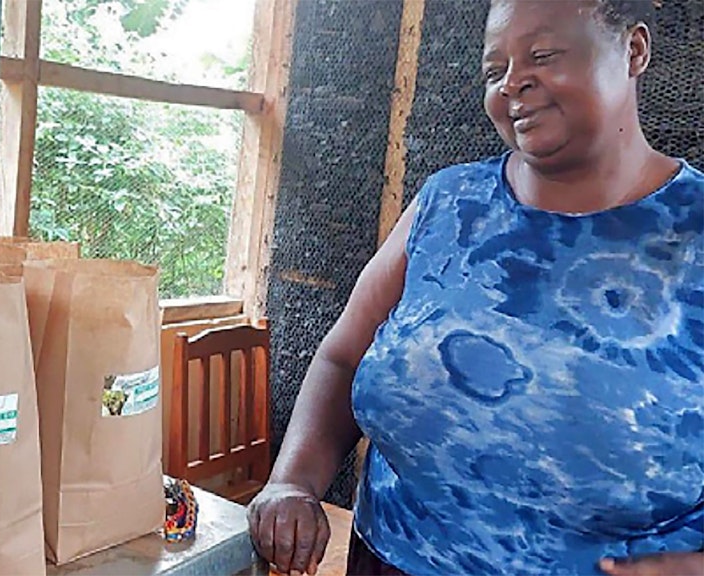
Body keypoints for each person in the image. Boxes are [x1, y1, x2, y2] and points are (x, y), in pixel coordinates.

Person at [247, 0, 704, 574]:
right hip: (386, 560)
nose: (514, 83)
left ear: (633, 50)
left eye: (543, 55)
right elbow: (343, 358)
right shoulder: (447, 204)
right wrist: (292, 481)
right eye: (495, 70)